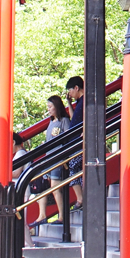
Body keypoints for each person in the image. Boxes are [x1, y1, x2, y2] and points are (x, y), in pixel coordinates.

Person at [45, 95, 72, 225]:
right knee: (53, 187)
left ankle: (62, 215)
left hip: (59, 157)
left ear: (57, 107)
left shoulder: (64, 121)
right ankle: (61, 213)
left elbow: (69, 137)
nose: (49, 109)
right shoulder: (51, 122)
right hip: (50, 158)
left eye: (51, 107)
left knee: (56, 187)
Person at [64, 76, 83, 209]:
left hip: (78, 141)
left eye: (70, 90)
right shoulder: (79, 103)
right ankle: (81, 199)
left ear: (76, 88)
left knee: (73, 168)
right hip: (75, 139)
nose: (69, 93)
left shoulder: (85, 102)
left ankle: (81, 199)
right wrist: (69, 104)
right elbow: (73, 118)